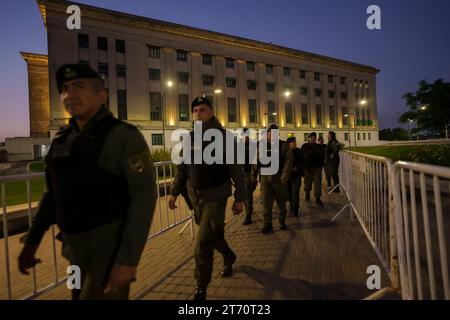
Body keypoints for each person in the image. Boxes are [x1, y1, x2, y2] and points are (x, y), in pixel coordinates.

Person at [18, 63, 157, 300]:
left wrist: (127, 260)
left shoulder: (123, 136)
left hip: (108, 251)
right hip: (73, 251)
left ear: (101, 95)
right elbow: (52, 194)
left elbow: (143, 196)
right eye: (64, 88)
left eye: (79, 86)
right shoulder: (62, 140)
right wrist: (32, 241)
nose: (69, 94)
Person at [168, 97, 246, 301]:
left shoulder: (224, 137)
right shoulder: (190, 138)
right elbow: (182, 169)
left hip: (216, 196)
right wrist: (174, 192)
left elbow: (237, 170)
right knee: (213, 235)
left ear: (211, 111)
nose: (197, 114)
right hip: (195, 198)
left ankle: (201, 288)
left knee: (202, 242)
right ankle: (229, 256)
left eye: (202, 109)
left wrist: (240, 198)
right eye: (194, 110)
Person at [258, 124, 293, 234]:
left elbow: (288, 161)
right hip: (265, 178)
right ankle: (267, 224)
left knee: (281, 202)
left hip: (278, 178)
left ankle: (282, 221)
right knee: (266, 202)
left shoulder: (283, 145)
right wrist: (254, 175)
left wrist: (284, 176)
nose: (270, 135)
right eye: (269, 133)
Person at [301, 132, 325, 206]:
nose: (313, 139)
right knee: (307, 182)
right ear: (308, 138)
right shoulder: (304, 146)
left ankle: (317, 198)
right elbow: (303, 156)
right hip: (307, 169)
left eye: (314, 137)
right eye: (311, 137)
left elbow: (322, 156)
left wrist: (321, 163)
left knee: (317, 183)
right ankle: (307, 192)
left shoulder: (319, 147)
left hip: (317, 168)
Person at [241, 128, 258, 225]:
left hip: (249, 174)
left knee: (247, 194)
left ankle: (248, 215)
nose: (245, 137)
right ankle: (249, 210)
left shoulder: (253, 146)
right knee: (245, 195)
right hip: (240, 175)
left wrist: (254, 175)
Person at [286, 136, 304, 217]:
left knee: (295, 193)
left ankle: (295, 209)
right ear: (289, 144)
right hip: (287, 176)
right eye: (292, 143)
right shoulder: (285, 152)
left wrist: (297, 167)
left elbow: (304, 161)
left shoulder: (299, 151)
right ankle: (292, 205)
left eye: (295, 142)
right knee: (289, 193)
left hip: (297, 176)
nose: (294, 144)